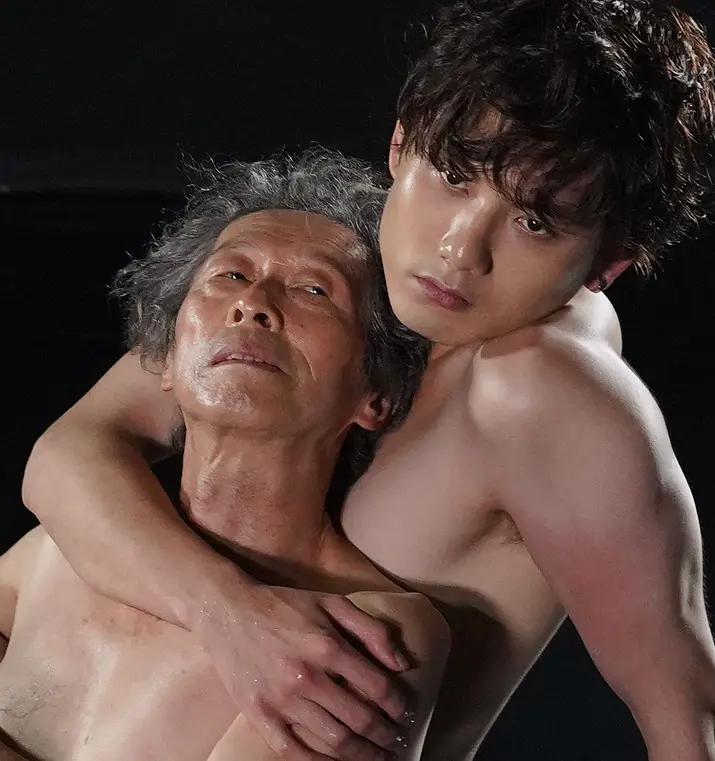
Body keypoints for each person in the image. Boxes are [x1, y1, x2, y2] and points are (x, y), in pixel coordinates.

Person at [22, 2, 715, 760]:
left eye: (534, 222)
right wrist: (229, 613)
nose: (459, 249)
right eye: (454, 176)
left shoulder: (540, 392)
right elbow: (69, 454)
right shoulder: (356, 266)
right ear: (401, 144)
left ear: (606, 265)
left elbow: (689, 717)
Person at [1, 152, 448, 761]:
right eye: (230, 276)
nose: (253, 304)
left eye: (314, 290)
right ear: (164, 361)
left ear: (376, 394)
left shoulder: (372, 629)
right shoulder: (58, 548)